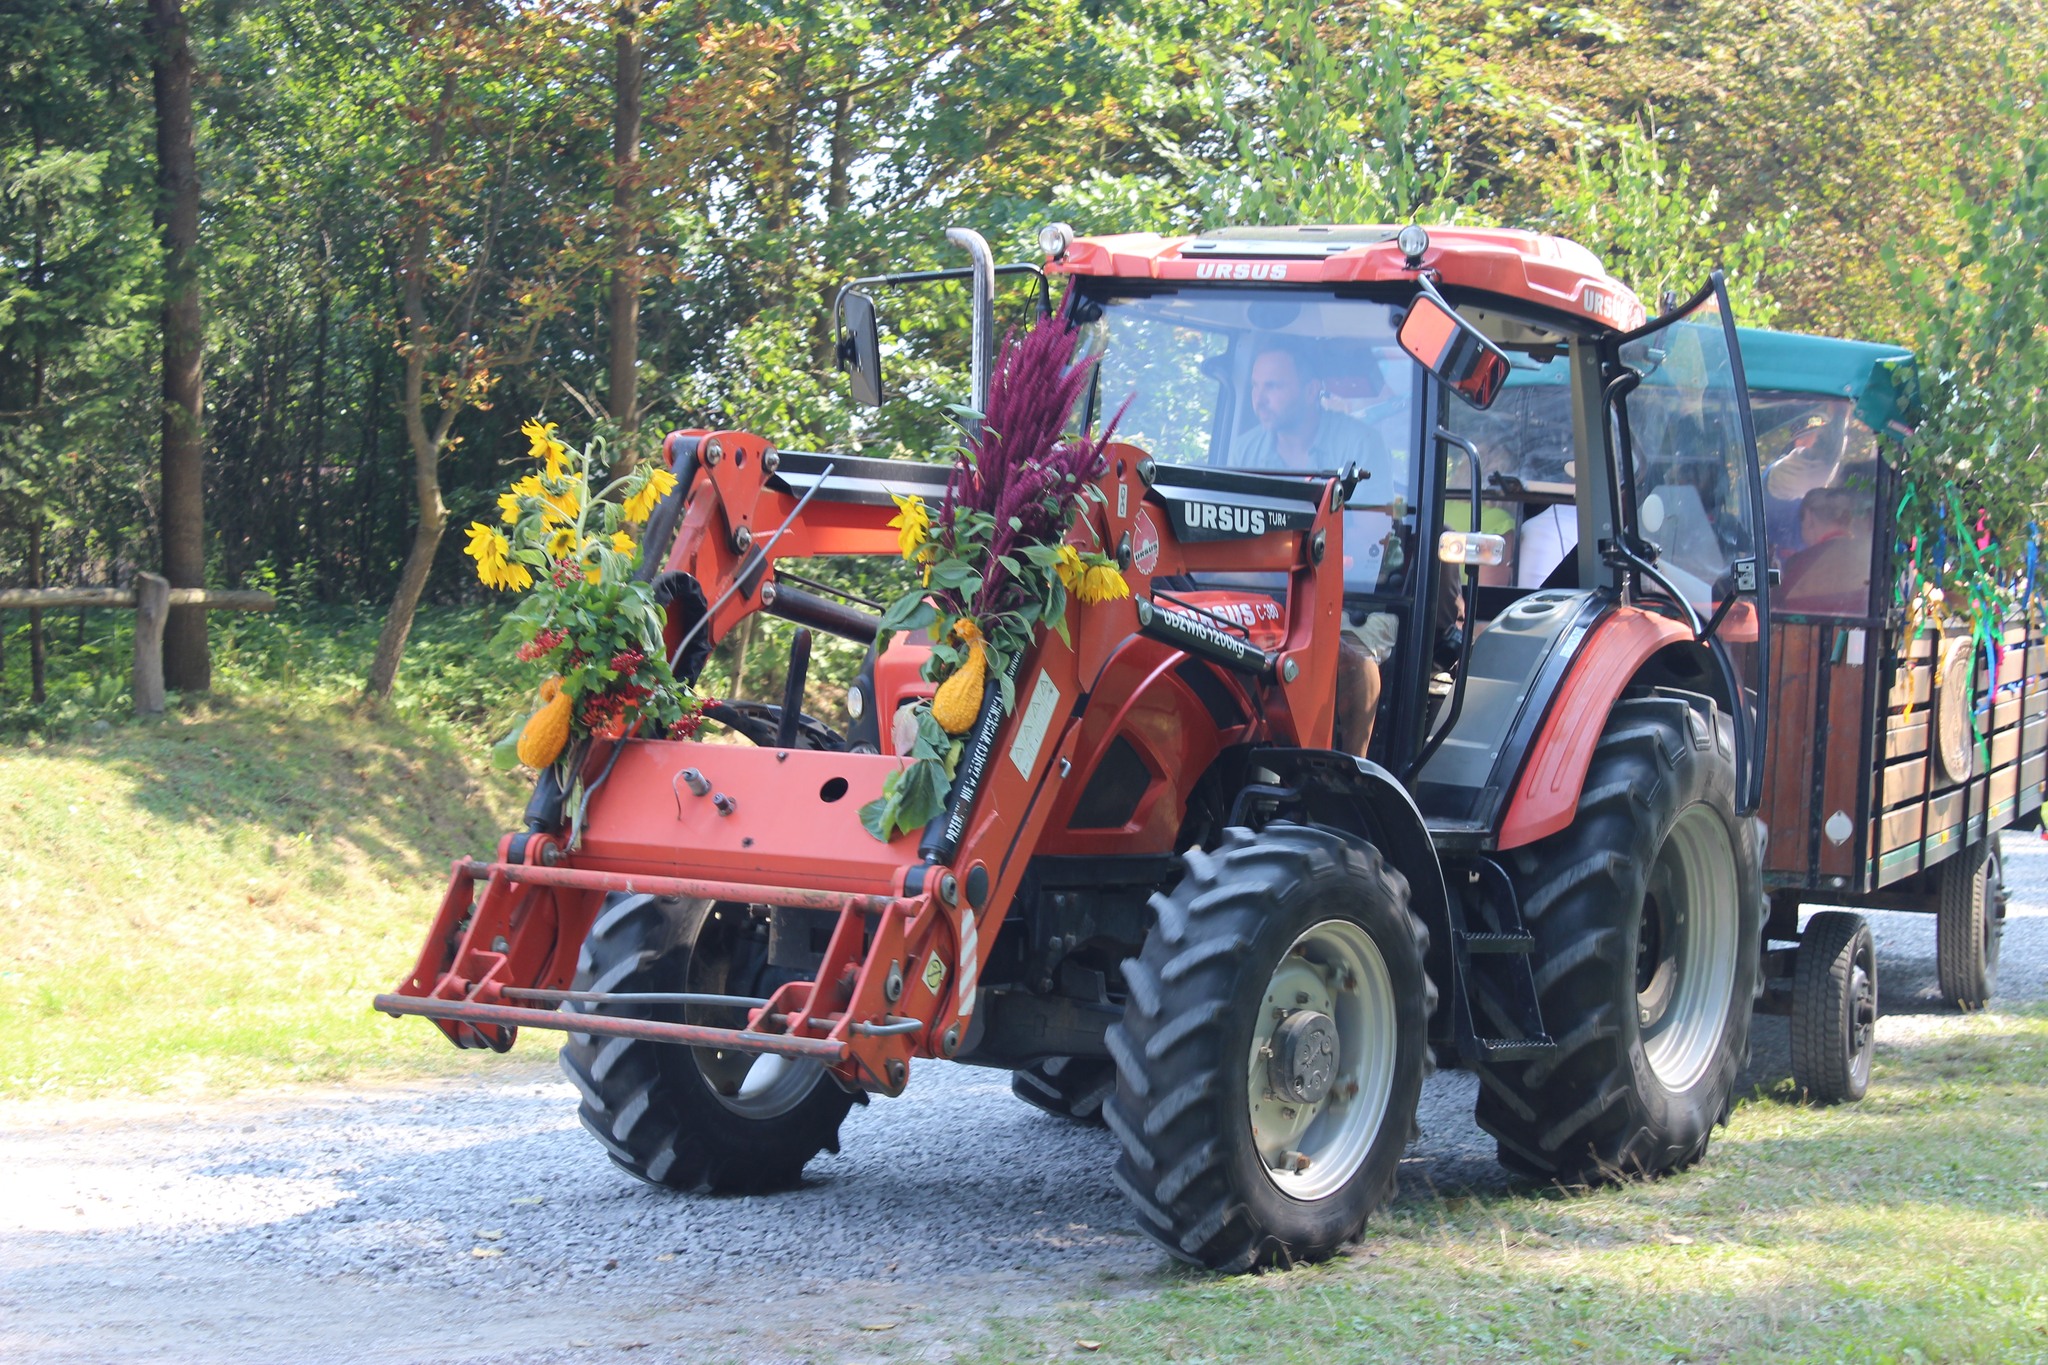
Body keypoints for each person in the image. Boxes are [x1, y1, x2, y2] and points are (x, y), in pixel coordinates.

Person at [1228, 340, 1401, 756]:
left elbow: (1365, 540)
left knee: (1351, 660)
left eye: (1273, 386)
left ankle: (1348, 769)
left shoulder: (1361, 444)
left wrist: (1272, 558)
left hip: (1351, 596)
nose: (1260, 398)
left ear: (1311, 391)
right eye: (1255, 386)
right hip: (1269, 592)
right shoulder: (1246, 448)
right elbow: (1231, 538)